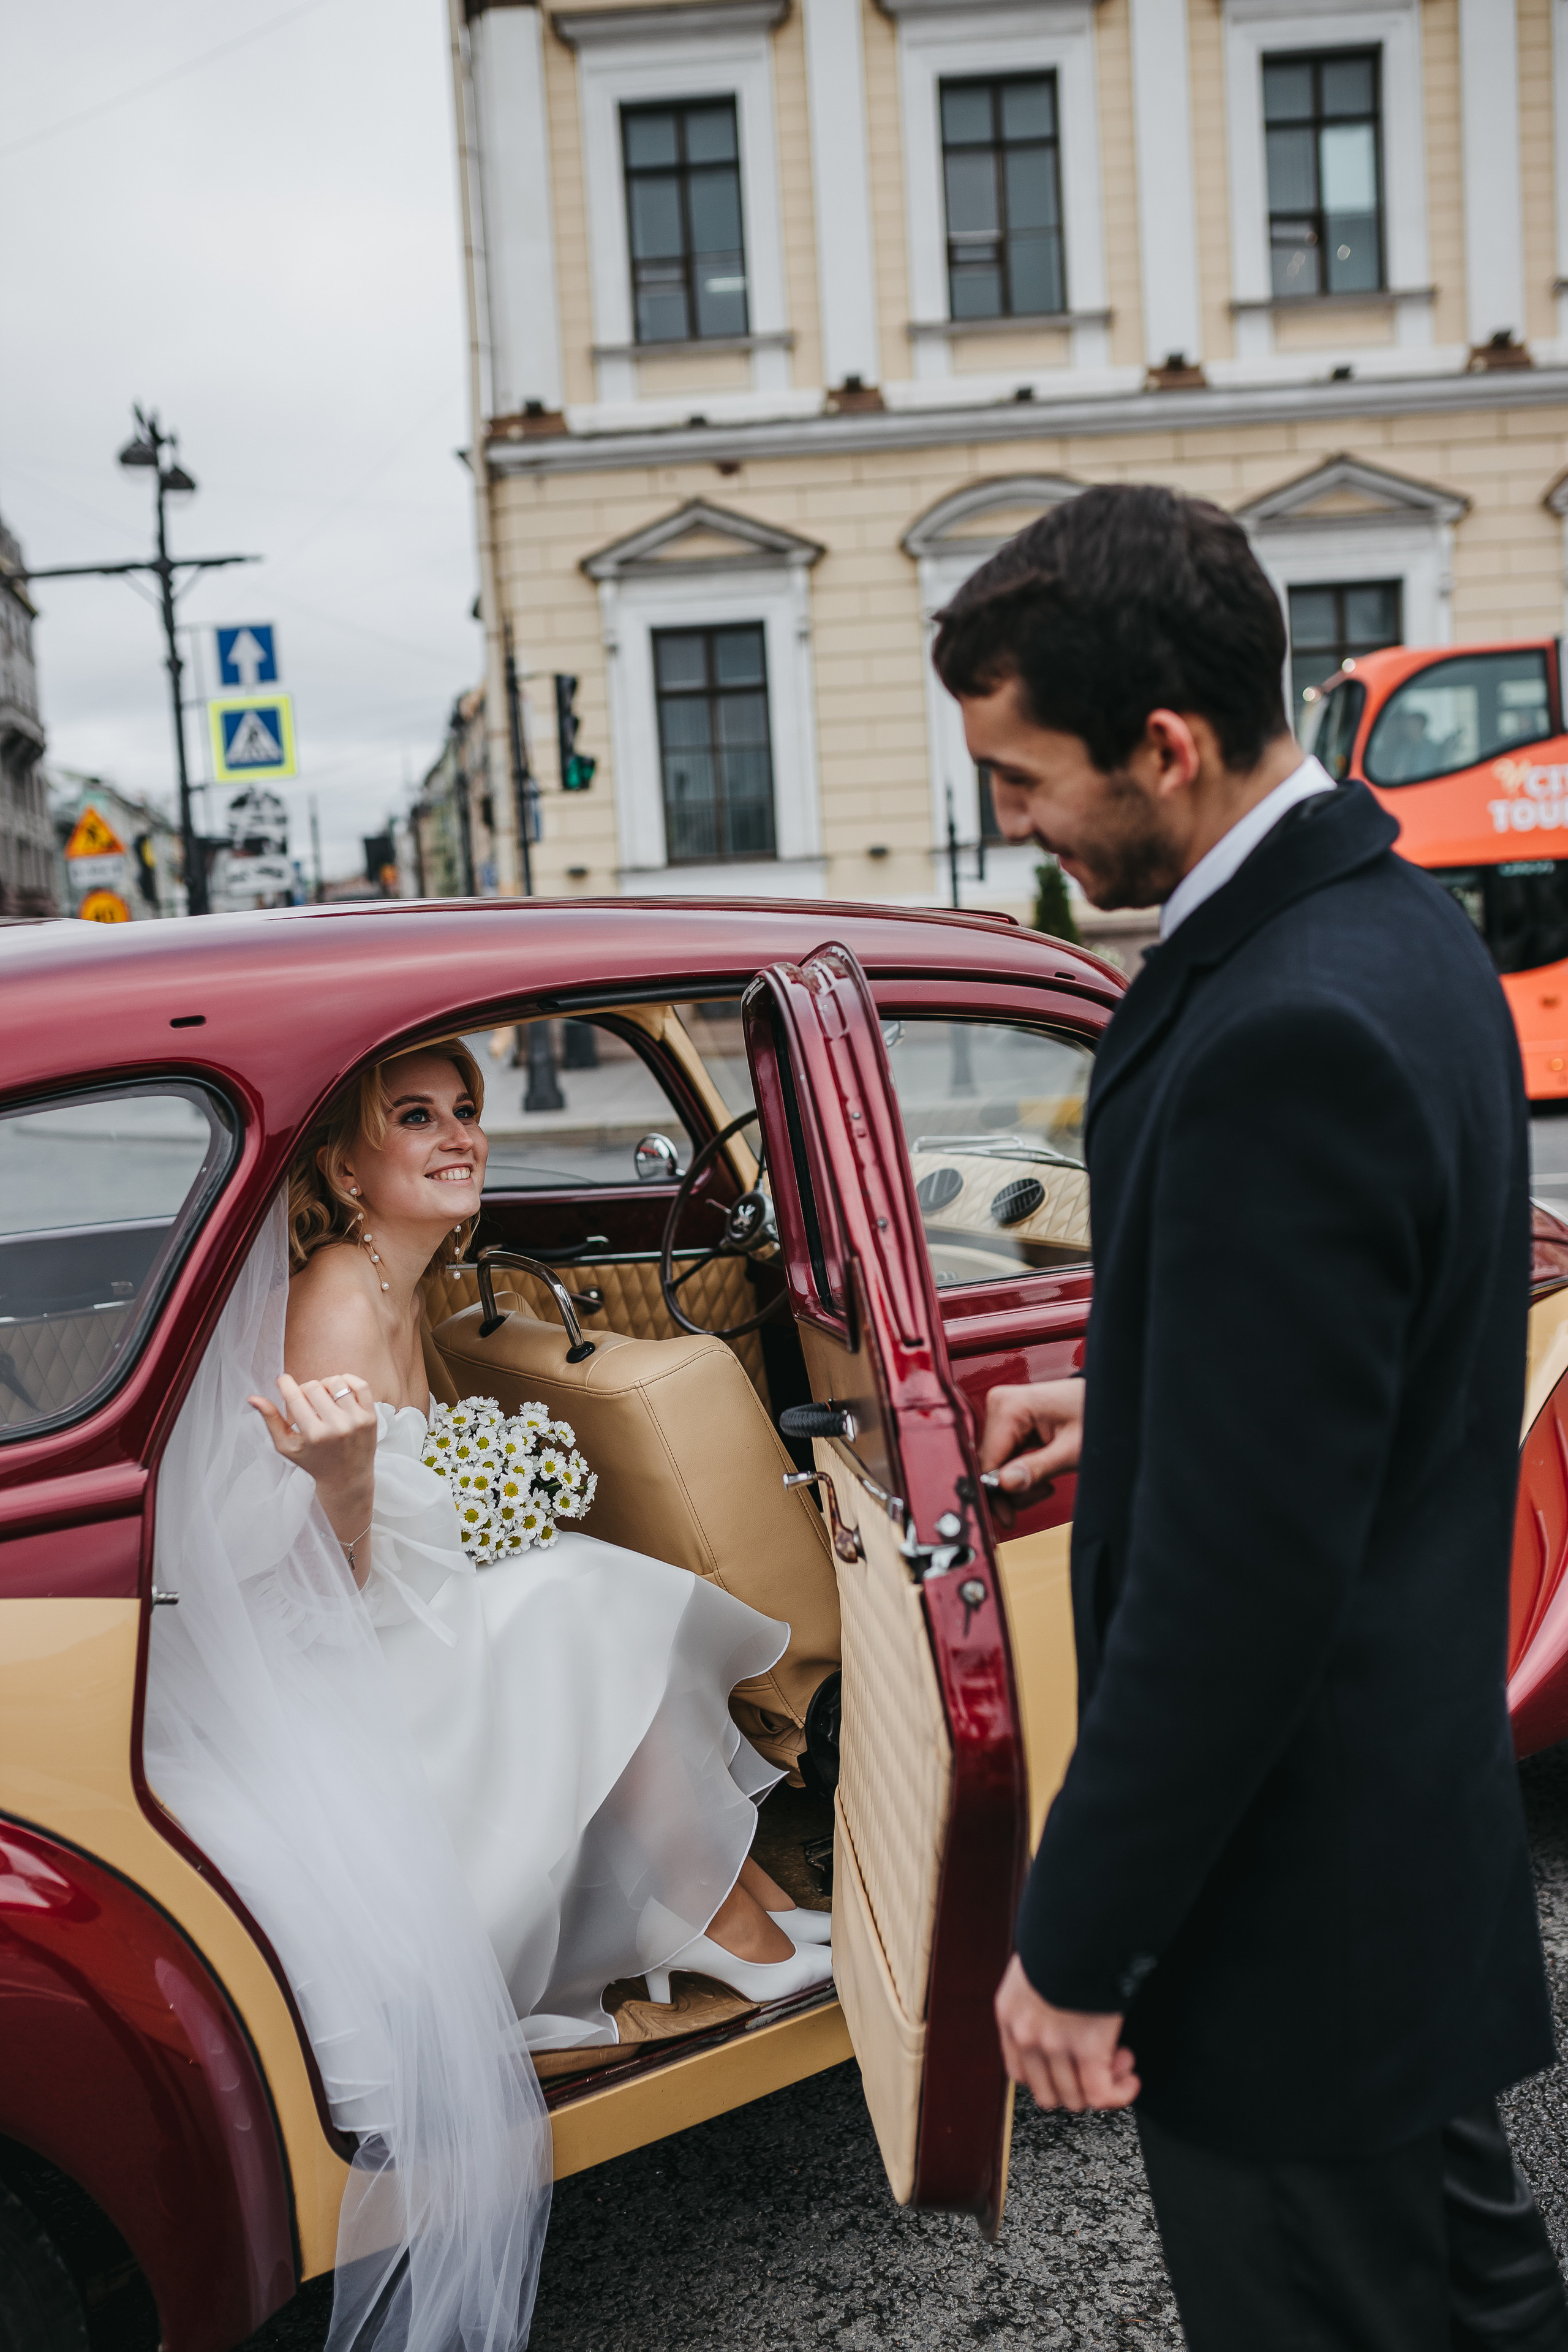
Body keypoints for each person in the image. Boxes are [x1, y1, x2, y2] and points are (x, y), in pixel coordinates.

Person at [930, 484, 1568, 2350]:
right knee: (1469, 2310)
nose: (1013, 823)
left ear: (1168, 746)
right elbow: (1344, 1359)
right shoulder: (1393, 924)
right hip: (1395, 1863)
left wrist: (1075, 1942)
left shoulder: (1285, 1018)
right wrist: (1128, 1393)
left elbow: (1241, 1587)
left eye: (1027, 777)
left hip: (1289, 1919)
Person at [143, 1038, 830, 2352]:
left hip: (397, 1623)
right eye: (417, 1118)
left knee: (573, 1588)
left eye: (467, 1112)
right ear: (343, 1166)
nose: (461, 1135)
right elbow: (306, 1586)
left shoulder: (413, 1283)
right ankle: (729, 1922)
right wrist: (345, 1481)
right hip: (338, 1663)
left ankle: (727, 1909)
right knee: (583, 1599)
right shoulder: (340, 1296)